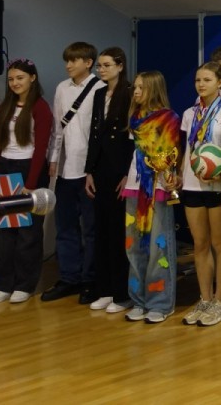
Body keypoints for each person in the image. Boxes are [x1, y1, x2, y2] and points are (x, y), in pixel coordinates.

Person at [0, 58, 53, 304]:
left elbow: (41, 148)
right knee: (5, 231)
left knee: (28, 232)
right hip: (5, 169)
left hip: (29, 170)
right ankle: (4, 285)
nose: (15, 83)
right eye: (11, 79)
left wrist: (31, 184)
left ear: (32, 78)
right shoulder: (5, 106)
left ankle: (24, 285)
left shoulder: (41, 107)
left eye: (20, 78)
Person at [43, 41, 103, 304]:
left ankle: (90, 280)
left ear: (88, 62)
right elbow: (58, 128)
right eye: (67, 60)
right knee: (65, 227)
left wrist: (95, 168)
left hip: (89, 169)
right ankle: (69, 277)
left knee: (91, 229)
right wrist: (53, 159)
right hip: (65, 169)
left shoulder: (100, 88)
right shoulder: (62, 88)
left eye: (74, 60)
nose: (68, 65)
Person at [123, 70, 182, 323]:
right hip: (134, 187)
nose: (136, 92)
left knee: (159, 246)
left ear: (154, 89)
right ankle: (138, 299)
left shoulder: (169, 118)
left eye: (141, 88)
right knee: (133, 246)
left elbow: (171, 155)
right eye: (135, 87)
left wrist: (170, 180)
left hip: (158, 188)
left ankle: (160, 302)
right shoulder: (135, 118)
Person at [179, 61, 221, 327]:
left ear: (220, 82)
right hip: (192, 184)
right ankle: (205, 298)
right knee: (199, 244)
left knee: (220, 242)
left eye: (207, 80)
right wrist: (180, 176)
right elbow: (187, 149)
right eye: (198, 80)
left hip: (219, 186)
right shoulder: (189, 113)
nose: (201, 84)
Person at [83, 46, 134, 313]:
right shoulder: (99, 93)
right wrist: (89, 170)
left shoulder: (129, 92)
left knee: (117, 232)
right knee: (101, 230)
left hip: (120, 169)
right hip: (100, 167)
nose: (101, 70)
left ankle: (121, 293)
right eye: (99, 66)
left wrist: (128, 173)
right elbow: (95, 135)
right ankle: (104, 289)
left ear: (120, 66)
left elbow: (132, 136)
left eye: (106, 65)